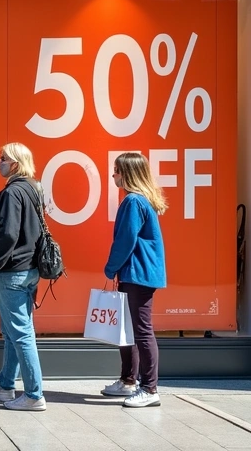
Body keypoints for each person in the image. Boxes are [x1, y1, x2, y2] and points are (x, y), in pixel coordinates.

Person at [0, 142, 47, 411]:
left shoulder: (12, 193)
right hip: (29, 270)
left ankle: (34, 395)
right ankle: (5, 386)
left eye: (3, 158)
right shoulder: (33, 188)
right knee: (12, 332)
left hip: (12, 272)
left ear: (16, 163)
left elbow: (8, 234)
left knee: (21, 335)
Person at [102, 152, 168, 408]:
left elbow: (126, 240)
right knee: (130, 329)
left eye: (117, 170)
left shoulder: (132, 201)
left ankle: (149, 389)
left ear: (127, 174)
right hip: (138, 273)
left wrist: (110, 268)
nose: (113, 175)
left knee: (141, 330)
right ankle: (129, 380)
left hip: (138, 274)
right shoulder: (141, 200)